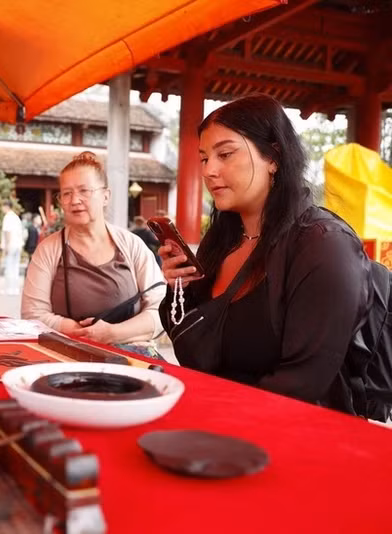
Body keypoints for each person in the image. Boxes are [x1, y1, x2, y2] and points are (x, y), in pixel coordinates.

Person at [158, 94, 388, 419]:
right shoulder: (223, 238)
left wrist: (217, 415)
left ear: (273, 157)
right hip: (217, 413)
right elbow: (195, 343)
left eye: (225, 154)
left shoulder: (323, 246)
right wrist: (178, 287)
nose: (209, 170)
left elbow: (303, 381)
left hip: (294, 429)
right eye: (204, 158)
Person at [22, 152, 166, 351]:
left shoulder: (132, 245)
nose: (75, 200)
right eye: (66, 193)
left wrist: (112, 333)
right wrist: (73, 329)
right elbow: (32, 314)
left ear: (105, 196)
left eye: (84, 191)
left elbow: (160, 310)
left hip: (132, 353)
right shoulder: (48, 250)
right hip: (68, 354)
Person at [0, 200, 24, 295]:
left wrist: (6, 246)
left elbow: (7, 232)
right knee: (15, 267)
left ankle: (9, 289)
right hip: (18, 244)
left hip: (11, 244)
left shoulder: (7, 217)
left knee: (9, 267)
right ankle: (15, 289)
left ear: (6, 206)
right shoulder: (16, 217)